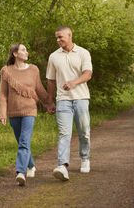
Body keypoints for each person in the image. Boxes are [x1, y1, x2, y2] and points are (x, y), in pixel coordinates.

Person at [0, 43, 55, 186]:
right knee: (22, 142)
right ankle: (31, 165)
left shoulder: (33, 69)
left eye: (26, 50)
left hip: (30, 110)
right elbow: (3, 95)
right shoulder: (6, 71)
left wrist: (49, 103)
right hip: (13, 112)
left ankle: (20, 172)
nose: (27, 52)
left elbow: (40, 89)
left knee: (24, 142)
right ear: (15, 54)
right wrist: (2, 113)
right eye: (23, 50)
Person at [46, 26, 92, 181]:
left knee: (83, 131)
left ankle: (84, 158)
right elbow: (51, 80)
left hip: (81, 98)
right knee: (64, 133)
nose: (58, 40)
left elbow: (88, 74)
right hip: (62, 100)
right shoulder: (53, 57)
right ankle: (62, 166)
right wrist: (49, 101)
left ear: (70, 35)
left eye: (60, 37)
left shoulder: (83, 53)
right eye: (56, 38)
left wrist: (74, 82)